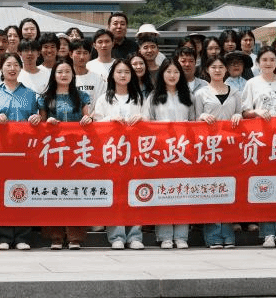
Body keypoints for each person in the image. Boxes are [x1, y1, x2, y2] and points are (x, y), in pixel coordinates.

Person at [0, 53, 42, 250]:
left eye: (16, 64)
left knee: (23, 191)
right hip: (0, 150)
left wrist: (36, 118)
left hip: (25, 150)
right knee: (1, 192)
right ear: (1, 68)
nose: (12, 68)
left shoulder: (30, 94)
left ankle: (23, 236)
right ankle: (2, 237)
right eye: (8, 64)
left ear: (20, 68)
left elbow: (37, 118)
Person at [242, 46, 276, 247]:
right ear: (258, 63)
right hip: (261, 141)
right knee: (264, 186)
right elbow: (244, 111)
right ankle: (267, 234)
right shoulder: (251, 83)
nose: (268, 63)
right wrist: (256, 112)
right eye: (264, 60)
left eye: (272, 60)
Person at [39, 58, 93, 250]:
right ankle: (55, 236)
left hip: (76, 152)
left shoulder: (81, 96)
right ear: (54, 75)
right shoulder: (45, 97)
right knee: (53, 193)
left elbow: (89, 119)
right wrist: (47, 123)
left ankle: (75, 237)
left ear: (73, 74)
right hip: (53, 152)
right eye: (60, 71)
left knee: (75, 193)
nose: (64, 75)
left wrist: (88, 120)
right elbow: (40, 125)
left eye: (67, 71)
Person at [194, 55, 246, 249]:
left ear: (226, 70)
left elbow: (240, 113)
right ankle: (213, 235)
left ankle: (228, 233)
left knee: (229, 190)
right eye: (213, 67)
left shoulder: (235, 92)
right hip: (209, 148)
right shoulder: (200, 93)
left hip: (231, 148)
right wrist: (202, 116)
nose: (217, 70)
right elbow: (193, 119)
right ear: (207, 70)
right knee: (211, 191)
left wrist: (238, 115)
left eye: (221, 67)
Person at [144, 60, 196, 249]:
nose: (172, 75)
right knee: (163, 192)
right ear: (162, 74)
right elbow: (147, 121)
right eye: (168, 72)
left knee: (183, 192)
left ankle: (181, 235)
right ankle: (165, 235)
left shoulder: (188, 96)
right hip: (161, 151)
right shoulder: (153, 96)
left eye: (176, 72)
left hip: (184, 151)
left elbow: (194, 122)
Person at [95, 59, 145, 250]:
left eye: (126, 72)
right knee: (115, 195)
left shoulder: (139, 97)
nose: (123, 75)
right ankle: (116, 235)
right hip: (112, 153)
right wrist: (110, 120)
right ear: (112, 75)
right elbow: (96, 125)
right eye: (119, 72)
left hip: (135, 153)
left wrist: (142, 118)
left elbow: (149, 120)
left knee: (135, 194)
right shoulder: (104, 99)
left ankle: (135, 235)